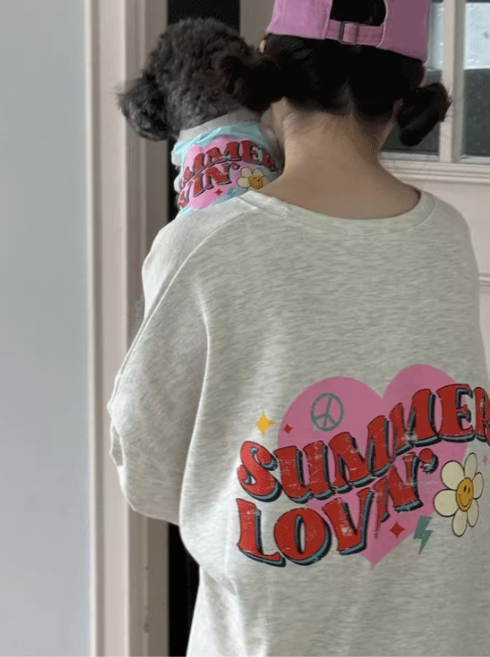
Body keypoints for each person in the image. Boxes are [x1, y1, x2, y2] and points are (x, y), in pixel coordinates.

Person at [108, 0, 490, 654]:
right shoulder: (447, 237)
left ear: (268, 67)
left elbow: (144, 467)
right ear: (405, 94)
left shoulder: (203, 246)